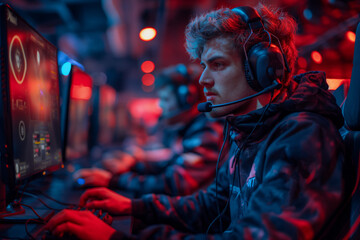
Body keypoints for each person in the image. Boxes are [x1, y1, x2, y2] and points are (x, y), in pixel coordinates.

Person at [46, 4, 348, 239]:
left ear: (264, 68)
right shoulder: (250, 129)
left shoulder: (304, 136)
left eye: (217, 64)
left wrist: (116, 237)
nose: (203, 79)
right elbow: (212, 206)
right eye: (204, 66)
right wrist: (133, 206)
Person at [72, 63, 224, 197]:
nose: (161, 106)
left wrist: (114, 180)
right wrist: (132, 165)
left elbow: (176, 183)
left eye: (165, 99)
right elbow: (170, 164)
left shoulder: (207, 132)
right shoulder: (194, 128)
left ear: (187, 99)